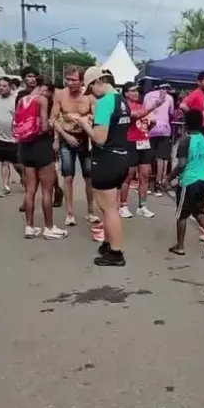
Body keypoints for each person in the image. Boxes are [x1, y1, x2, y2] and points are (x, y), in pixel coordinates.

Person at [70, 67, 130, 266]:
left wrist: (84, 123)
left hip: (107, 159)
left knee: (108, 208)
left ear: (97, 82)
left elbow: (99, 138)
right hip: (121, 156)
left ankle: (116, 252)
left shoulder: (105, 103)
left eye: (90, 89)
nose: (91, 95)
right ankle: (108, 242)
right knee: (110, 206)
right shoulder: (122, 101)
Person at [15, 79, 67, 240]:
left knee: (30, 190)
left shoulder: (22, 100)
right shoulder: (42, 100)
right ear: (45, 88)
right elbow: (44, 127)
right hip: (41, 147)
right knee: (46, 190)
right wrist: (52, 124)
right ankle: (49, 227)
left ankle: (29, 227)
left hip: (25, 148)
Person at [168, 109, 204, 257]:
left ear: (186, 123)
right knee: (198, 210)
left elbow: (181, 165)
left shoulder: (185, 140)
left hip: (188, 181)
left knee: (182, 215)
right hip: (203, 181)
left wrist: (169, 178)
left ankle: (180, 246)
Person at [52, 65, 97, 226]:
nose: (70, 83)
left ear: (81, 81)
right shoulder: (60, 94)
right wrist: (62, 136)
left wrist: (85, 118)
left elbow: (96, 116)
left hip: (85, 139)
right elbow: (54, 119)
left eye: (73, 80)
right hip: (67, 138)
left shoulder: (89, 96)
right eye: (68, 79)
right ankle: (70, 213)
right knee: (68, 176)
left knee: (89, 176)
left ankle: (91, 211)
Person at [120, 81, 162, 219]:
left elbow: (144, 125)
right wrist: (154, 106)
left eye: (137, 90)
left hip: (144, 142)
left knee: (144, 175)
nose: (136, 93)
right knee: (128, 176)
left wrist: (150, 126)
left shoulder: (141, 106)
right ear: (126, 93)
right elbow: (135, 116)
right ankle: (123, 205)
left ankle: (142, 206)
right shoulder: (125, 106)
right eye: (132, 90)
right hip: (130, 143)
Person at [0, 78, 22, 197]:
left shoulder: (15, 100)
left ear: (10, 87)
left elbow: (19, 118)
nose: (1, 88)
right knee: (4, 162)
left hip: (14, 137)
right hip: (0, 137)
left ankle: (23, 176)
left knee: (17, 163)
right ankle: (5, 187)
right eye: (0, 86)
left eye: (4, 86)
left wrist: (19, 134)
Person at [146, 80, 175, 196]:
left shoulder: (148, 96)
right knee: (161, 158)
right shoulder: (169, 98)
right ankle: (158, 185)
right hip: (164, 129)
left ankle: (147, 184)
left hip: (150, 128)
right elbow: (171, 112)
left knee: (148, 158)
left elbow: (145, 110)